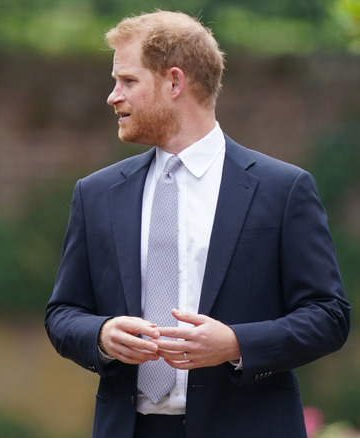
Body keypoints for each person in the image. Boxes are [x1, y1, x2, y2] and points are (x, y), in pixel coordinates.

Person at [44, 10, 350, 438]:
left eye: (128, 81)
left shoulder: (283, 189)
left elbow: (329, 317)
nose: (113, 97)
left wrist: (236, 344)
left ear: (174, 82)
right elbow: (62, 314)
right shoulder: (96, 193)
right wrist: (101, 334)